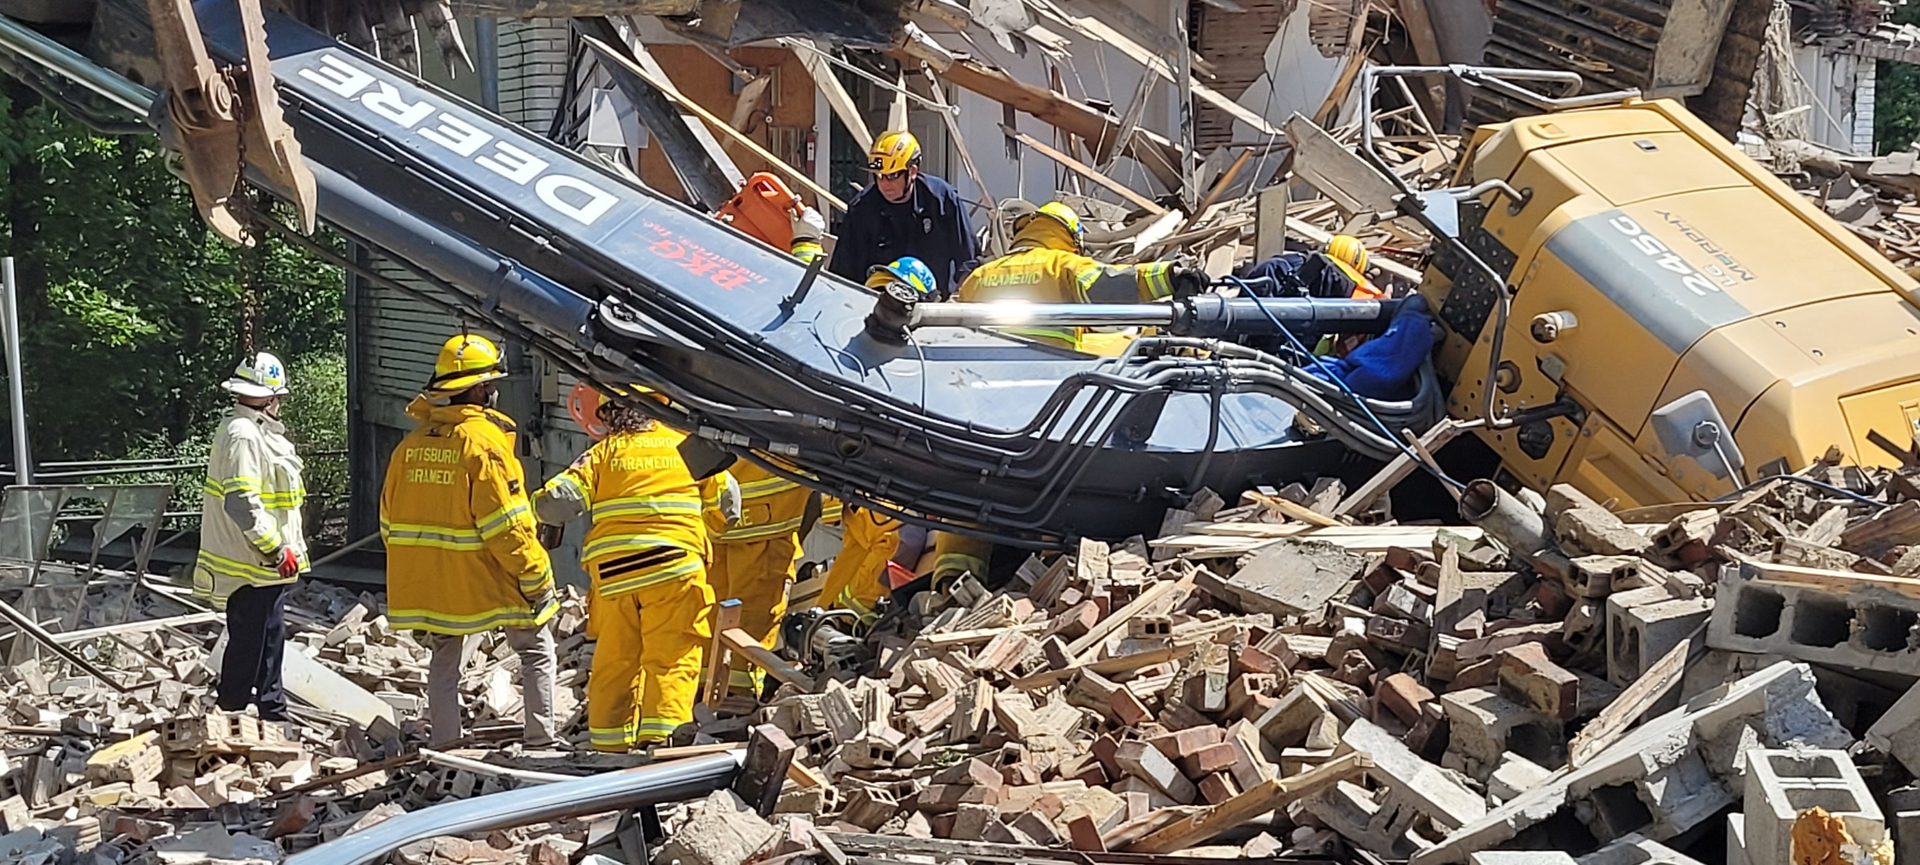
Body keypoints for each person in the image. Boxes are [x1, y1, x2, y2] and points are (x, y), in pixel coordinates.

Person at [381, 333, 558, 748]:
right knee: (535, 648)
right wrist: (536, 578)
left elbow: (389, 522)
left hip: (431, 585)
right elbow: (507, 528)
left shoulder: (408, 447)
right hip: (486, 577)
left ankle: (445, 745)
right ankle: (541, 741)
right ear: (479, 390)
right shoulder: (483, 446)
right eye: (492, 385)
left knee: (444, 660)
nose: (495, 392)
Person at [535, 394, 736, 751]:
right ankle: (663, 743)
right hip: (675, 568)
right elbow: (728, 508)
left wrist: (535, 506)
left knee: (614, 659)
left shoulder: (603, 453)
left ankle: (608, 748)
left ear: (613, 414)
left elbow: (558, 503)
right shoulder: (685, 447)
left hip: (615, 576)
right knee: (671, 658)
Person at [196, 352, 308, 721]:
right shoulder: (244, 435)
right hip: (255, 562)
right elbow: (243, 503)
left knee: (268, 636)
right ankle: (237, 709)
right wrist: (275, 550)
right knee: (252, 641)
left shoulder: (252, 430)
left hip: (260, 563)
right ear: (273, 397)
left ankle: (267, 707)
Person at [957, 201, 1207, 351]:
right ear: (1071, 238)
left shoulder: (979, 276)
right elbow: (1110, 283)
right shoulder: (1062, 265)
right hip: (1051, 375)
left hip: (987, 380)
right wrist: (1170, 276)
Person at [828, 131, 979, 297]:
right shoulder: (862, 210)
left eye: (892, 176)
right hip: (881, 306)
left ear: (912, 171)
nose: (884, 184)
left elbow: (969, 261)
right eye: (879, 176)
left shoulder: (942, 200)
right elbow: (843, 274)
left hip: (935, 307)